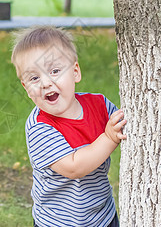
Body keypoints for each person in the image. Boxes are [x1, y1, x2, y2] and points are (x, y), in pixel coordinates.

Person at [11, 26, 127, 227]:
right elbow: (74, 167)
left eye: (55, 71)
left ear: (75, 72)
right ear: (26, 88)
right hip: (58, 222)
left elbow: (125, 125)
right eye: (34, 78)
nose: (46, 82)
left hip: (102, 215)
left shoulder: (100, 105)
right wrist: (109, 138)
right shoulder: (40, 127)